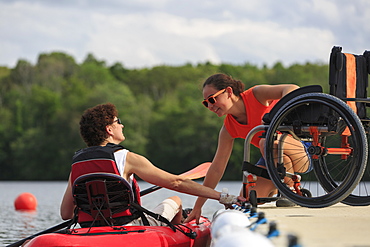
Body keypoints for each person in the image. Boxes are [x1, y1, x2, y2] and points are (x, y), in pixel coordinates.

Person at [60, 103, 244, 227]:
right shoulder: (127, 158)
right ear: (109, 130)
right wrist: (223, 197)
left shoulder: (77, 164)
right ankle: (176, 233)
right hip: (128, 228)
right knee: (175, 201)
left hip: (91, 229)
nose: (122, 126)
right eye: (118, 122)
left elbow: (66, 214)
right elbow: (176, 183)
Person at [185, 73, 310, 224]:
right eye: (206, 103)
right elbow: (216, 169)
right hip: (273, 158)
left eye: (212, 99)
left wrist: (276, 116)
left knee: (266, 142)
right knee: (245, 200)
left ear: (229, 92)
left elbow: (292, 88)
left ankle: (288, 189)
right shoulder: (227, 129)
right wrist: (198, 207)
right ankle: (279, 185)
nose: (210, 106)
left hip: (304, 150)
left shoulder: (256, 94)